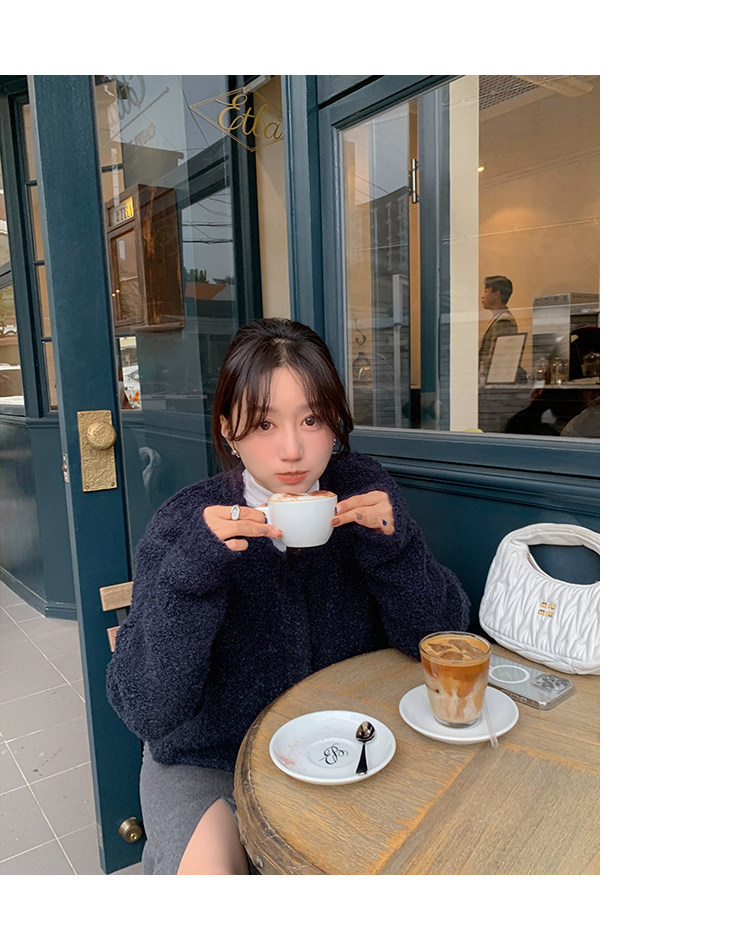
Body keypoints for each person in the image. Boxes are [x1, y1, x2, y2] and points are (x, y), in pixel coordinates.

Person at [106, 318, 470, 875]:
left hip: (349, 745)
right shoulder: (187, 522)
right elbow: (146, 707)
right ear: (228, 430)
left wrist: (393, 551)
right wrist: (193, 574)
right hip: (213, 761)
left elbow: (443, 638)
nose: (293, 450)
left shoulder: (362, 489)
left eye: (312, 419)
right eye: (264, 424)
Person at [478, 275, 518, 385]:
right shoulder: (498, 318)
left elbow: (496, 357)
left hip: (493, 382)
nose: (482, 296)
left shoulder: (503, 321)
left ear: (496, 294)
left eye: (486, 291)